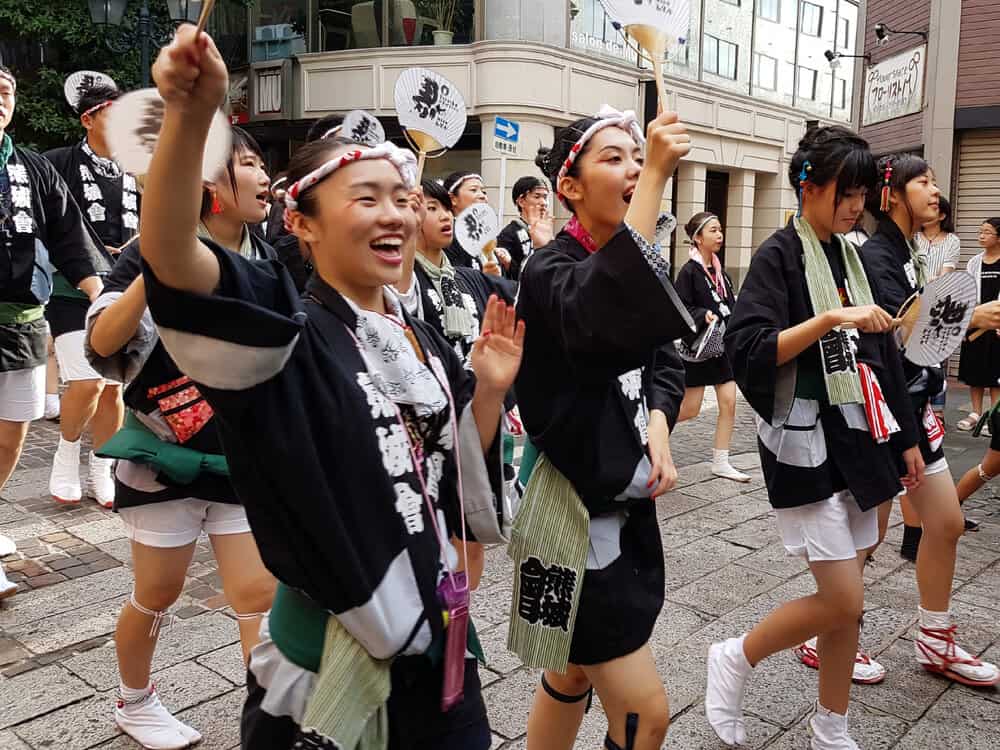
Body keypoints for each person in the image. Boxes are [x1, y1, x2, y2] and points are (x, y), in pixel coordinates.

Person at [139, 26, 519, 749]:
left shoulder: (416, 330)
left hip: (437, 634)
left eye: (403, 198)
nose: (395, 215)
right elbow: (173, 261)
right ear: (300, 225)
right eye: (367, 198)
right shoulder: (287, 330)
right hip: (332, 647)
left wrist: (490, 393)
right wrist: (191, 118)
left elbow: (446, 468)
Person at [708, 126, 924, 749]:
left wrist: (905, 438)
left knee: (846, 602)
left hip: (860, 439)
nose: (857, 207)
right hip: (805, 447)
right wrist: (830, 318)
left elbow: (881, 351)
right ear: (811, 184)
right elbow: (747, 348)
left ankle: (831, 724)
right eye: (847, 193)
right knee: (844, 602)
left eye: (862, 194)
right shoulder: (780, 254)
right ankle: (736, 656)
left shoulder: (850, 257)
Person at [85, 125, 277, 749]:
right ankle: (134, 702)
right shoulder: (146, 251)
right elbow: (103, 343)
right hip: (163, 456)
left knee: (257, 595)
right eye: (248, 164)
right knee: (157, 592)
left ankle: (270, 723)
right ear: (211, 184)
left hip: (241, 457)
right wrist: (162, 261)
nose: (264, 177)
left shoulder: (270, 258)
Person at [513, 105, 691, 750]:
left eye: (636, 159)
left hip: (621, 500)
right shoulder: (548, 270)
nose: (633, 170)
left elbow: (663, 357)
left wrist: (661, 422)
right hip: (573, 515)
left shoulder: (630, 262)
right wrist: (653, 186)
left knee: (569, 673)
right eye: (611, 158)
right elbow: (600, 311)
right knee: (646, 714)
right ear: (570, 186)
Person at [862, 154, 999, 688]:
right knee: (863, 537)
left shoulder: (913, 252)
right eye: (923, 181)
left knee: (945, 523)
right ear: (890, 193)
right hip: (886, 416)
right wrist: (973, 318)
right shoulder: (878, 255)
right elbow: (901, 334)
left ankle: (934, 639)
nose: (934, 190)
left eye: (936, 181)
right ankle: (826, 632)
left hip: (918, 413)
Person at [0, 65, 106, 599]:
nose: (1, 99)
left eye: (7, 90)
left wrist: (96, 292)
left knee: (11, 434)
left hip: (23, 324)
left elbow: (69, 238)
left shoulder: (35, 169)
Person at [43, 80, 134, 507]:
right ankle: (65, 454)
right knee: (85, 382)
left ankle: (103, 466)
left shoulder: (138, 166)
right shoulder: (56, 163)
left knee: (113, 387)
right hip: (71, 289)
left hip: (124, 288)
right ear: (88, 118)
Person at [674, 212, 750, 482]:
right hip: (699, 350)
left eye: (720, 230)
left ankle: (721, 460)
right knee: (689, 409)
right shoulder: (689, 272)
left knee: (729, 403)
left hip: (722, 348)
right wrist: (701, 315)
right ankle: (653, 433)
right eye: (713, 231)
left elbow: (729, 305)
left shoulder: (721, 273)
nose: (719, 235)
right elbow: (680, 308)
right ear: (697, 238)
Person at [916, 196, 960, 420]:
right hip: (914, 304)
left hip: (940, 306)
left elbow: (947, 274)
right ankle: (918, 403)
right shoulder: (914, 238)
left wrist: (930, 283)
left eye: (932, 209)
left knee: (937, 356)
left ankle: (938, 409)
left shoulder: (951, 240)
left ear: (942, 215)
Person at [956, 217, 1000, 433]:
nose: (981, 236)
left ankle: (993, 417)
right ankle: (975, 412)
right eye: (980, 231)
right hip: (977, 322)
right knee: (975, 369)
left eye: (987, 232)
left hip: (998, 324)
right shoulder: (974, 262)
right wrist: (966, 322)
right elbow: (967, 293)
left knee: (995, 374)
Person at [495, 176, 554, 282]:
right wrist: (509, 264)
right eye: (537, 197)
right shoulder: (508, 235)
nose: (543, 203)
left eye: (545, 197)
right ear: (521, 201)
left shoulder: (547, 231)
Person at [443, 171, 498, 274]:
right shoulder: (448, 235)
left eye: (483, 191)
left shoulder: (486, 233)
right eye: (474, 190)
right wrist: (484, 278)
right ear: (453, 199)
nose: (482, 196)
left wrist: (508, 264)